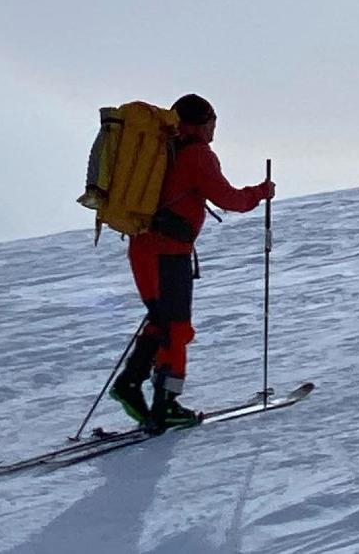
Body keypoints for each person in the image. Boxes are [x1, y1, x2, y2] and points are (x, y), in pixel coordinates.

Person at [107, 94, 274, 434]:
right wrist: (261, 192)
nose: (215, 129)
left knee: (160, 322)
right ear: (203, 123)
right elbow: (228, 199)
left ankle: (129, 385)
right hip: (168, 255)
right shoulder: (197, 154)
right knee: (175, 328)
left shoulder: (164, 147)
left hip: (144, 250)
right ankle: (165, 404)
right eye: (213, 122)